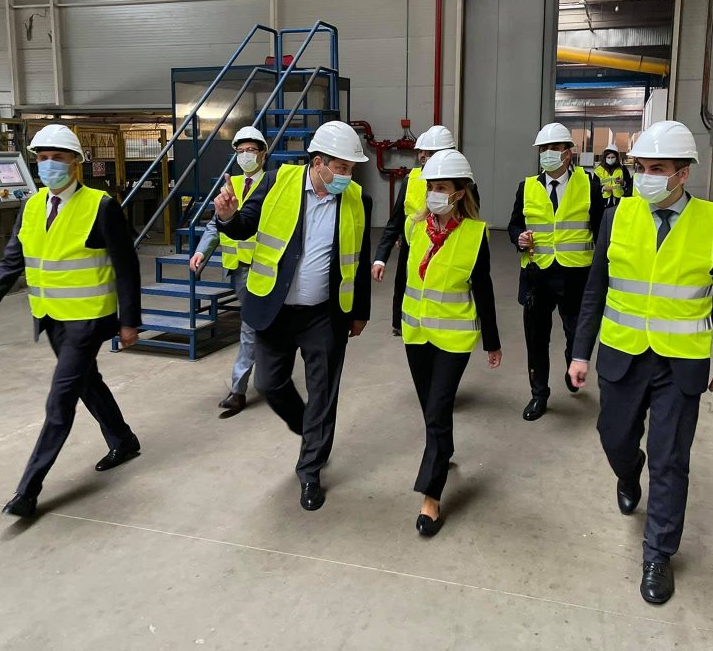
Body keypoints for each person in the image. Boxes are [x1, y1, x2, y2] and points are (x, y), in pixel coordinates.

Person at [568, 120, 713, 605]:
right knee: (615, 438)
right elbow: (595, 290)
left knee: (670, 460)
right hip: (622, 355)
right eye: (641, 167)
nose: (645, 177)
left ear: (683, 174)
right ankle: (629, 472)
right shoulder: (617, 216)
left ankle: (658, 554)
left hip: (680, 364)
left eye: (657, 169)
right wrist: (580, 352)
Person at [0, 124, 143, 518]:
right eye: (42, 158)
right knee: (86, 382)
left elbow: (126, 267)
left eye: (57, 157)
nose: (49, 164)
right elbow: (12, 260)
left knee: (60, 401)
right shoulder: (31, 205)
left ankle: (27, 491)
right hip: (50, 318)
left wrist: (130, 321)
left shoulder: (101, 206)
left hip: (88, 319)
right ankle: (123, 440)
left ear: (76, 162)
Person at [214, 121, 372, 511]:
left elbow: (359, 257)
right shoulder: (276, 182)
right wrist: (228, 216)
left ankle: (310, 470)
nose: (348, 176)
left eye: (351, 168)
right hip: (275, 309)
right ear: (318, 162)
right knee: (269, 383)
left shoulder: (356, 199)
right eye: (341, 167)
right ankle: (308, 428)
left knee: (324, 393)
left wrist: (359, 312)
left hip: (325, 314)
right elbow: (244, 226)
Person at [401, 149, 501, 537]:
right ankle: (444, 453)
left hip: (454, 338)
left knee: (438, 409)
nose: (433, 194)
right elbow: (405, 279)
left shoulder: (475, 234)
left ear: (459, 193)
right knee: (431, 408)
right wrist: (395, 320)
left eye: (441, 188)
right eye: (431, 186)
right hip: (416, 333)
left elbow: (484, 288)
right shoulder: (415, 228)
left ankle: (431, 495)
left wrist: (492, 341)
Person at [507, 123, 604, 422]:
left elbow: (600, 229)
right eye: (543, 149)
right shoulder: (527, 187)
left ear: (568, 153)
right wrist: (519, 237)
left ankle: (572, 364)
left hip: (576, 276)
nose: (548, 153)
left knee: (576, 334)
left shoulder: (589, 184)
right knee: (536, 339)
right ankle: (539, 394)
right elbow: (514, 224)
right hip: (537, 276)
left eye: (554, 148)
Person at [189, 126, 267, 413]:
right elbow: (215, 223)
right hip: (238, 269)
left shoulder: (272, 184)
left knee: (250, 327)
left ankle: (239, 389)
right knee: (257, 327)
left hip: (264, 267)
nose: (246, 155)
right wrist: (202, 251)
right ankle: (268, 376)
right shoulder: (230, 183)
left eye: (251, 150)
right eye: (241, 151)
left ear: (263, 154)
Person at [371, 125, 457, 335]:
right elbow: (396, 221)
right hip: (412, 246)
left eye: (431, 153)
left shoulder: (461, 182)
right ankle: (401, 324)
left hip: (447, 246)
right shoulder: (411, 179)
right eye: (422, 152)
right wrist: (380, 258)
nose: (424, 157)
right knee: (405, 285)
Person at [593, 142, 633, 206]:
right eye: (608, 157)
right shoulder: (599, 170)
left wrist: (623, 183)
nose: (610, 159)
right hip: (603, 200)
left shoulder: (622, 168)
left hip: (619, 200)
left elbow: (629, 183)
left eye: (612, 157)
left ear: (616, 158)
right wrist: (603, 188)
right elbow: (594, 185)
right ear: (605, 158)